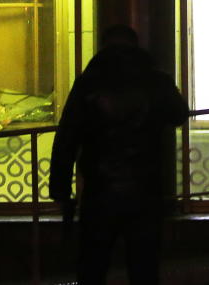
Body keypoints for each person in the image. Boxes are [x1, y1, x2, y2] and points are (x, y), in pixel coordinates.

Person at [49, 25, 189, 284]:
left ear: (103, 47)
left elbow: (67, 136)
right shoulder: (156, 80)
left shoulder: (88, 82)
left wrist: (60, 189)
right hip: (146, 187)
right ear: (136, 46)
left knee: (93, 264)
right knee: (144, 265)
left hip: (100, 189)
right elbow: (179, 113)